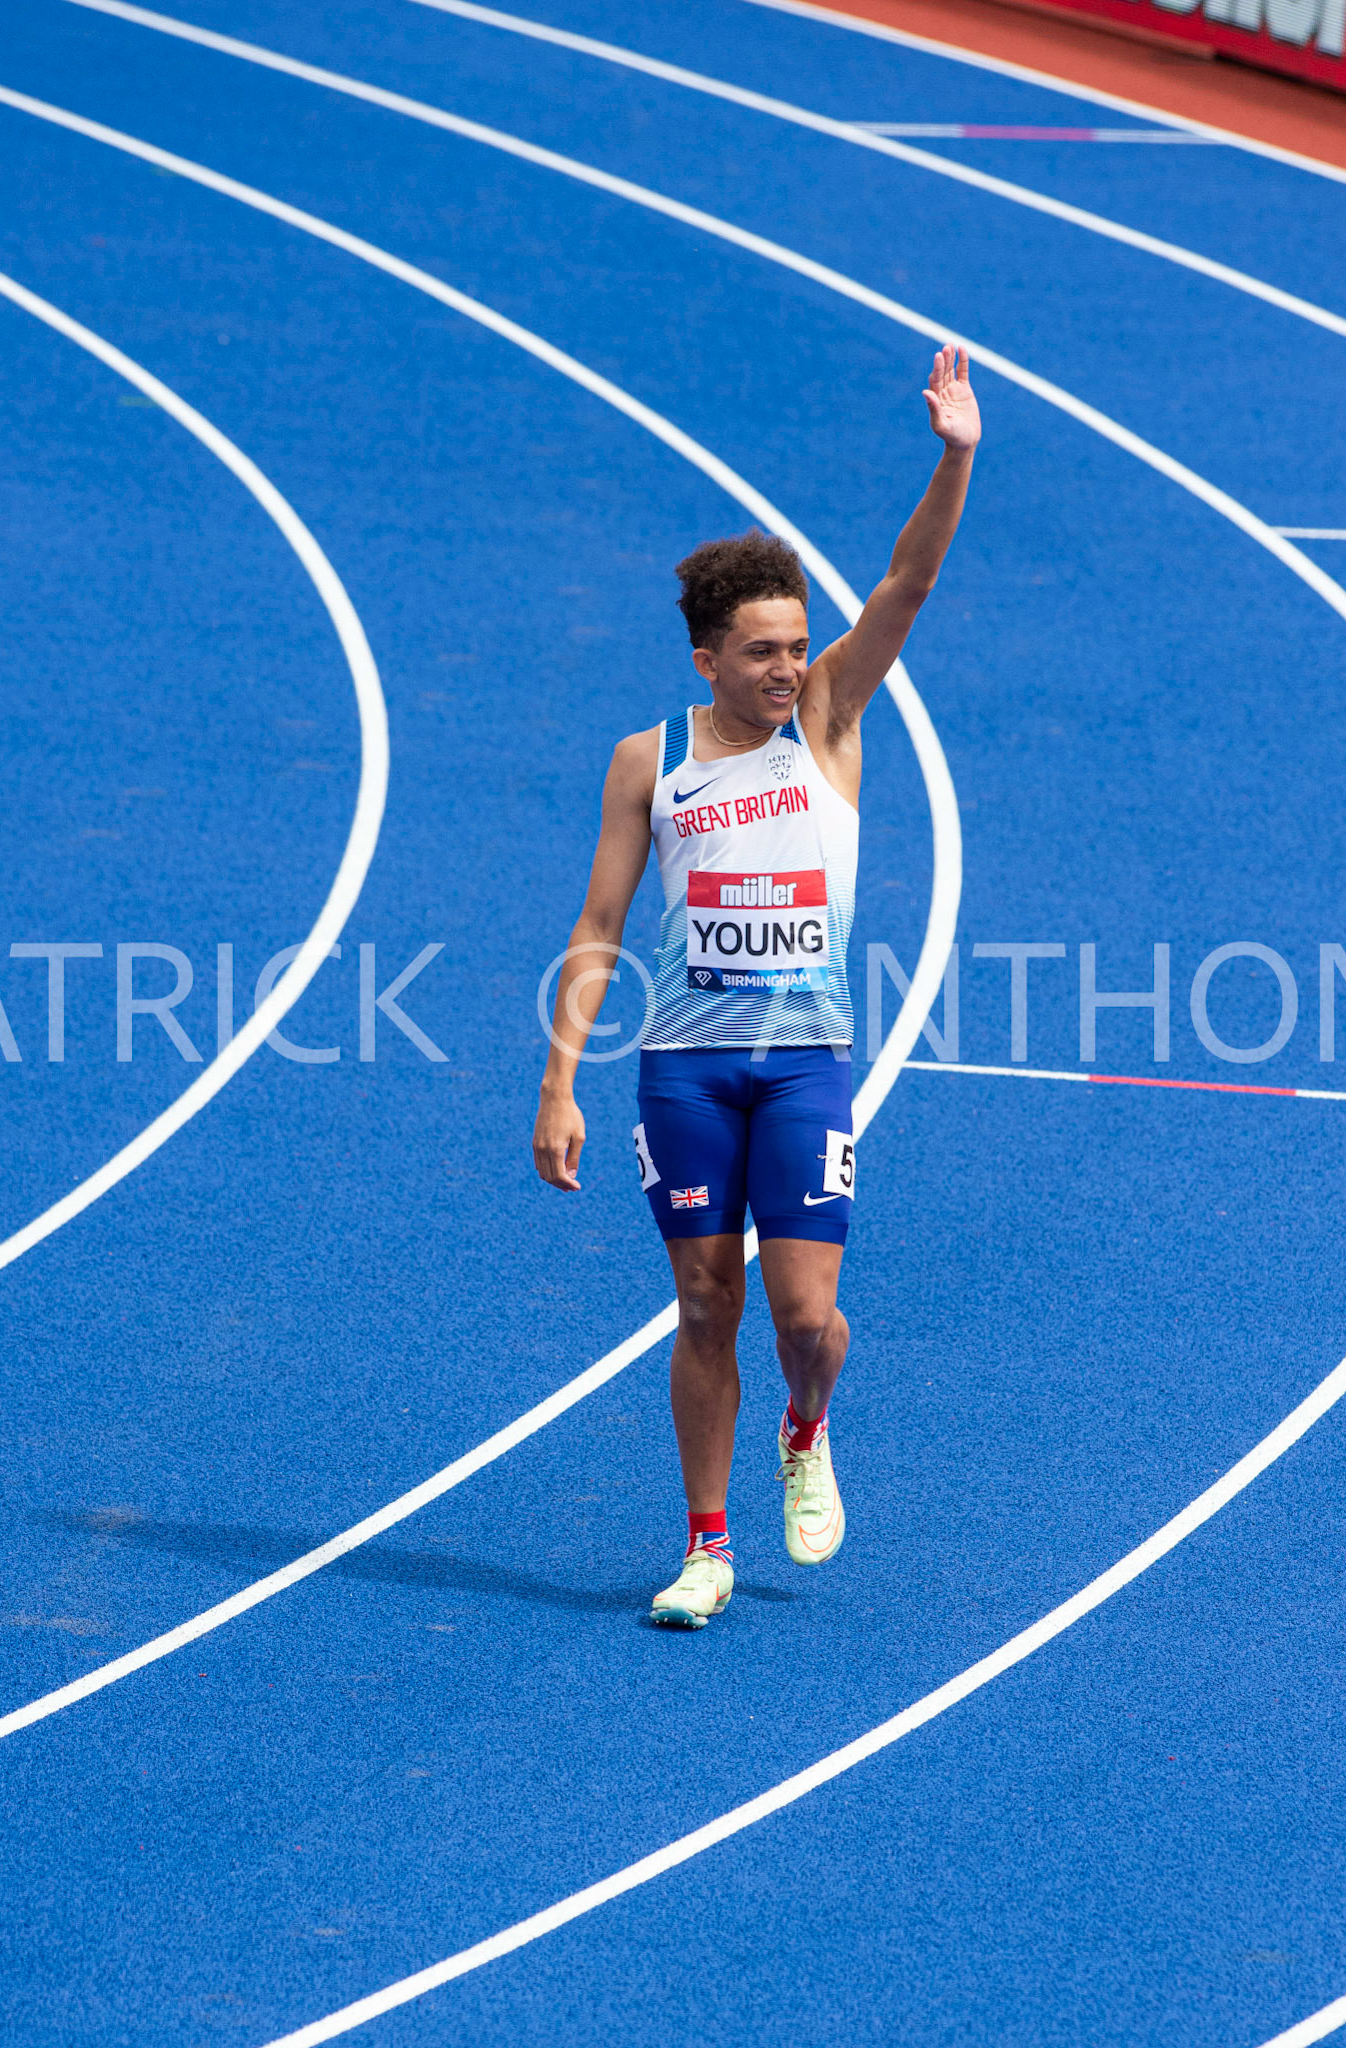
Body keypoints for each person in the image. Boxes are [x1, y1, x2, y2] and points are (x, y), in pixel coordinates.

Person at [532, 346, 980, 1627]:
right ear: (705, 658)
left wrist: (953, 454)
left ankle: (809, 1418)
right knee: (704, 1299)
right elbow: (600, 922)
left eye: (796, 646)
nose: (789, 666)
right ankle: (708, 1543)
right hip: (681, 1068)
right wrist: (559, 1079)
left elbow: (908, 581)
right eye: (762, 650)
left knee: (806, 1316)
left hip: (803, 1063)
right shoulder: (648, 763)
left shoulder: (831, 723)